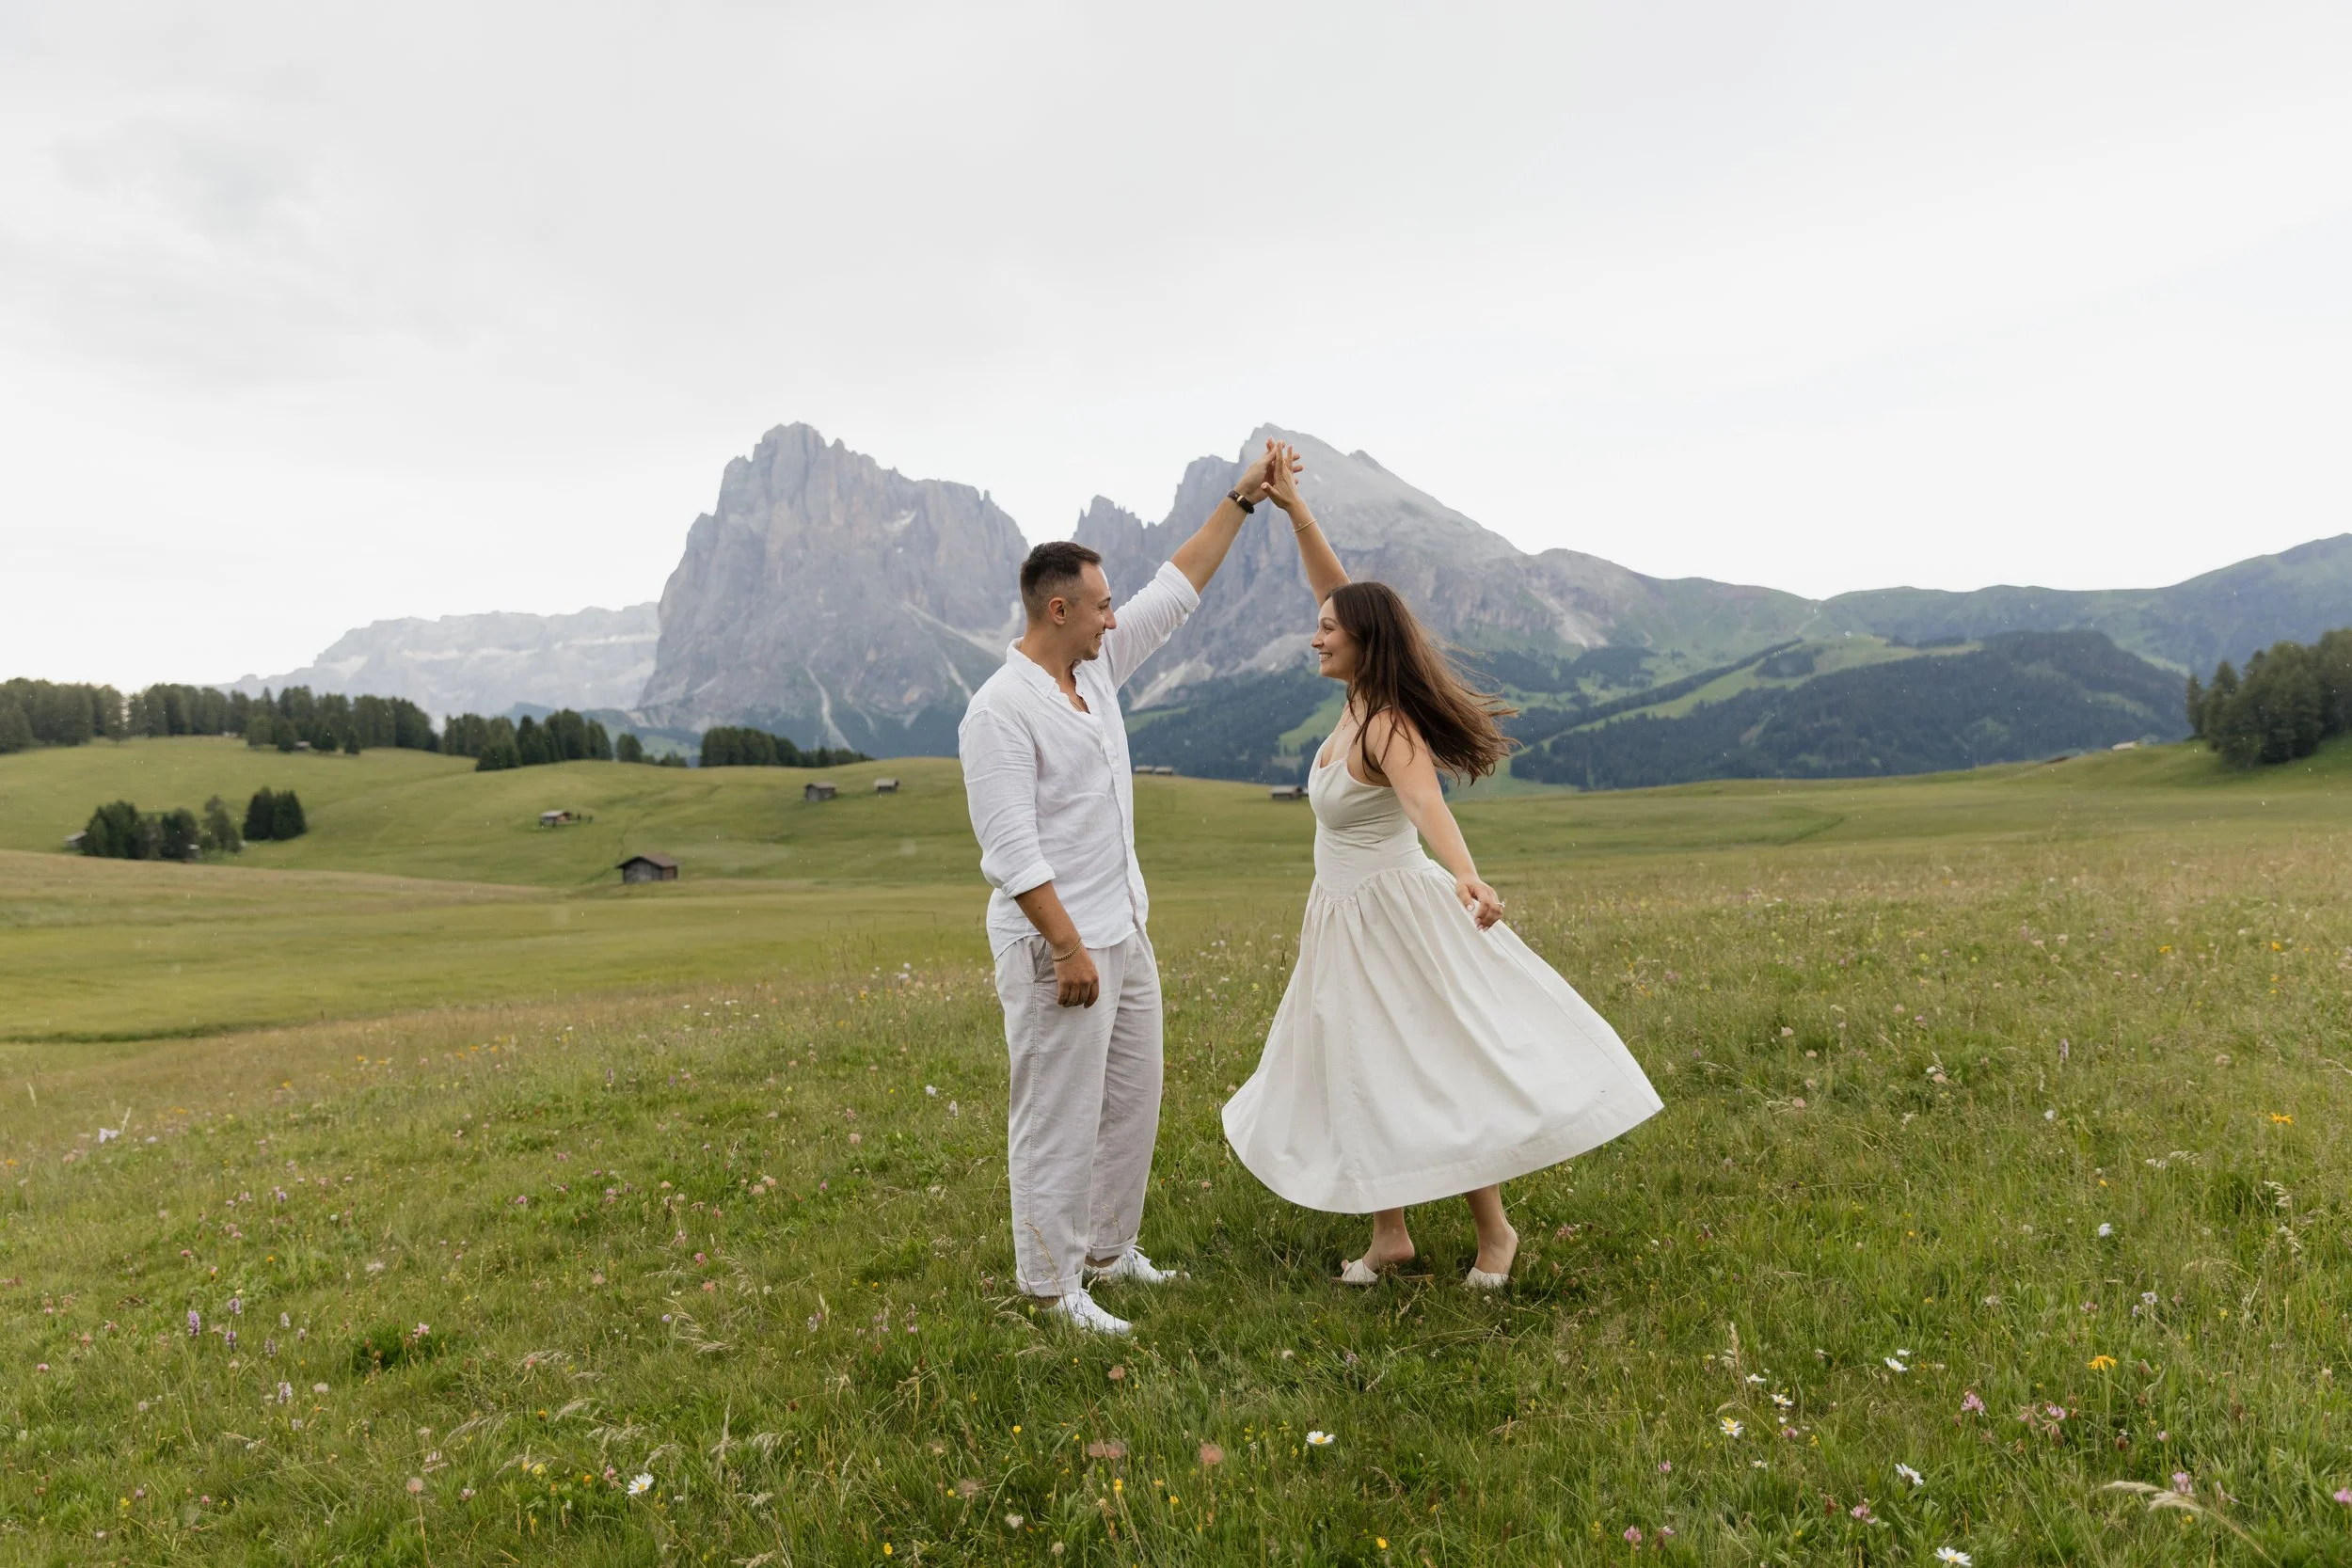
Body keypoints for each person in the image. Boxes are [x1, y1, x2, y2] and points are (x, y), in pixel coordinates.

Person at [1221, 441, 1663, 1288]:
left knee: (1432, 1063)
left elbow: (1427, 807)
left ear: (1360, 645)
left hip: (1395, 913)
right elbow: (1335, 586)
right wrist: (1292, 511)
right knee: (1360, 1062)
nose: (1313, 633)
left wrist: (1468, 874)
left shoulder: (1386, 723)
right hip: (1342, 917)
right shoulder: (1353, 698)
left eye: (1326, 629)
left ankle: (1495, 1233)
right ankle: (1390, 1233)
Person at [959, 446, 1295, 1334]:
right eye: (1101, 606)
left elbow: (1175, 589)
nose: (1115, 618)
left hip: (1125, 926)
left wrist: (1242, 499)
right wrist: (1066, 946)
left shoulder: (1094, 670)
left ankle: (1109, 1252)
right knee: (1057, 1114)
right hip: (1056, 942)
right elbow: (1010, 848)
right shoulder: (999, 709)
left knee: (1130, 1100)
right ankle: (1049, 1286)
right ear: (1058, 609)